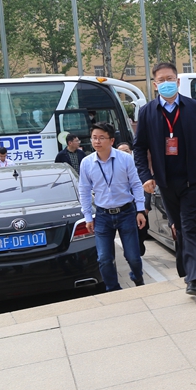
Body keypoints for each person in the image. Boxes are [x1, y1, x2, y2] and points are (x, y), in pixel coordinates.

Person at [134, 62, 196, 296]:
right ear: (155, 85)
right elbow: (139, 148)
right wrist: (146, 176)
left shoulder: (192, 107)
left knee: (189, 227)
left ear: (178, 81)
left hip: (192, 180)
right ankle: (185, 270)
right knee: (180, 229)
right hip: (165, 182)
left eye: (170, 79)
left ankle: (193, 278)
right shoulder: (147, 112)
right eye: (161, 80)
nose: (166, 83)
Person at [78, 122, 147, 291]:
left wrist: (140, 210)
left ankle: (137, 277)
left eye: (102, 138)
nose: (97, 141)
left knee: (133, 257)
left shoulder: (125, 159)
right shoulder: (87, 163)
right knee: (104, 258)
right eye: (94, 138)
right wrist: (88, 217)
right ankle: (113, 289)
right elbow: (84, 191)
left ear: (111, 140)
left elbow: (136, 184)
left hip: (126, 212)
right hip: (103, 215)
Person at [118, 142, 151, 256]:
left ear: (131, 152)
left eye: (126, 151)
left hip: (139, 205)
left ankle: (139, 246)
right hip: (125, 207)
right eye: (121, 152)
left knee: (142, 230)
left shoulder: (139, 166)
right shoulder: (115, 168)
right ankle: (134, 252)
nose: (124, 154)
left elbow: (145, 186)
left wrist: (146, 206)